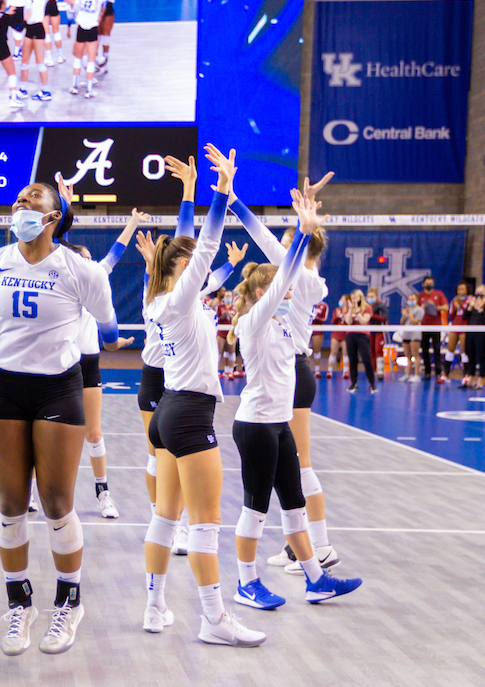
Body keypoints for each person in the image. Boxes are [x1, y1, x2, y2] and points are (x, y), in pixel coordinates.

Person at [0, 179, 125, 656]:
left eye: (33, 198)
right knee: (10, 502)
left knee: (54, 501)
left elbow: (110, 334)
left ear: (54, 215)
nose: (21, 203)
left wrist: (107, 334)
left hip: (59, 387)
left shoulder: (81, 271)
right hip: (7, 388)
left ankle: (69, 602)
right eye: (18, 200)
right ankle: (19, 604)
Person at [141, 147, 267, 647]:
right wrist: (220, 191)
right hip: (192, 414)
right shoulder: (180, 296)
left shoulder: (158, 300)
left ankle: (154, 607)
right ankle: (214, 619)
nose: (198, 260)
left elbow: (189, 243)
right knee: (205, 525)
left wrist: (188, 192)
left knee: (164, 517)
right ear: (183, 267)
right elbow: (206, 243)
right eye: (190, 259)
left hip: (169, 410)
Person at [230, 187, 362, 616]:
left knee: (294, 504)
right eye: (279, 292)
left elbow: (287, 277)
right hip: (254, 426)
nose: (288, 296)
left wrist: (303, 235)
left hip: (279, 423)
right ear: (262, 295)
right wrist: (303, 233)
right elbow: (283, 275)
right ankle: (245, 583)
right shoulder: (254, 322)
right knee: (255, 508)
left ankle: (316, 578)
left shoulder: (289, 326)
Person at [132, 159, 197, 543]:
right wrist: (188, 191)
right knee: (162, 456)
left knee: (163, 456)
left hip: (167, 379)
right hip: (158, 378)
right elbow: (186, 239)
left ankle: (172, 523)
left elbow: (182, 242)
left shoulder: (157, 292)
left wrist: (189, 190)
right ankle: (165, 520)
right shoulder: (166, 297)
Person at [68, 207, 147, 519]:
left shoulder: (97, 276)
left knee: (94, 433)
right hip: (59, 364)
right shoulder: (65, 281)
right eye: (83, 257)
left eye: (91, 258)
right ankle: (28, 492)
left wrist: (133, 222)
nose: (89, 260)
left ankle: (103, 492)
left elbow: (116, 251)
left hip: (87, 364)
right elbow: (60, 240)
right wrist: (63, 204)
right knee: (48, 432)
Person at [61, 0, 136, 98]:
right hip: (93, 30)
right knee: (91, 60)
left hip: (81, 29)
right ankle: (89, 90)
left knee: (78, 59)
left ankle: (74, 86)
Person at [342, 290, 377, 394]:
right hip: (350, 335)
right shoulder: (349, 308)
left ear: (360, 298)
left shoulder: (367, 308)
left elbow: (363, 321)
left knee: (367, 359)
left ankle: (372, 384)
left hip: (362, 335)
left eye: (355, 298)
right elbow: (348, 322)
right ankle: (353, 384)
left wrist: (357, 312)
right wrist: (350, 310)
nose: (353, 300)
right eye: (352, 298)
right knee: (352, 360)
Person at [417, 276, 448, 383]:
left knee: (436, 349)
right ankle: (427, 371)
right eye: (427, 283)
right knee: (424, 349)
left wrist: (434, 307)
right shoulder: (420, 295)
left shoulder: (438, 294)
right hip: (424, 325)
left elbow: (445, 307)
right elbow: (415, 308)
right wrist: (423, 308)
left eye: (430, 282)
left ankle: (438, 371)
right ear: (423, 284)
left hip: (436, 325)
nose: (428, 284)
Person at [464, 285, 485, 389]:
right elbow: (465, 317)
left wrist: (479, 307)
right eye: (477, 292)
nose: (479, 294)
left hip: (482, 334)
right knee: (470, 355)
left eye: (481, 292)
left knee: (481, 357)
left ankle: (480, 379)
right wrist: (470, 307)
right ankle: (471, 377)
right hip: (471, 332)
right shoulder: (472, 303)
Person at [446, 283, 472, 382]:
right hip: (455, 326)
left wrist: (459, 305)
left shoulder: (470, 299)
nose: (460, 291)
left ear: (467, 290)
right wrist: (455, 306)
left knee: (464, 350)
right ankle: (445, 374)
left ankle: (466, 374)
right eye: (459, 289)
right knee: (450, 348)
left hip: (464, 327)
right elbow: (451, 315)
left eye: (462, 289)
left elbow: (467, 313)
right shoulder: (454, 300)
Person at [400, 294, 424, 382]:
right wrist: (404, 315)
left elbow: (415, 321)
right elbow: (402, 322)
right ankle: (408, 374)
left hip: (415, 334)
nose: (410, 300)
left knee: (415, 355)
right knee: (408, 356)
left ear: (417, 299)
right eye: (409, 299)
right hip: (406, 333)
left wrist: (409, 314)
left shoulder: (420, 310)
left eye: (413, 299)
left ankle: (417, 375)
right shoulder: (407, 310)